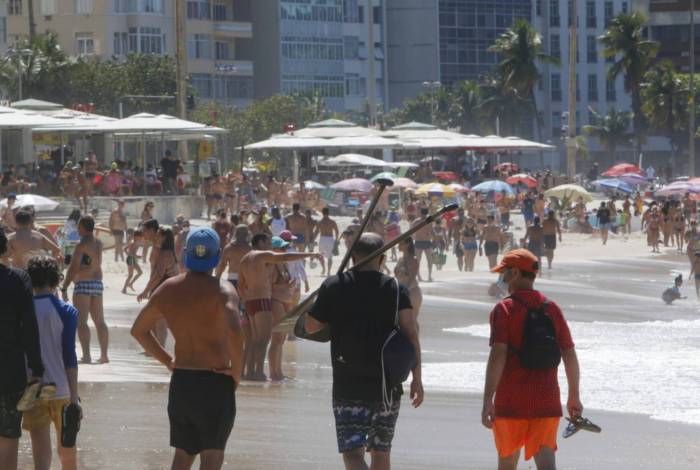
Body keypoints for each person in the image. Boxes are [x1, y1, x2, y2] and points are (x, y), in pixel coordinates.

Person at [304, 233, 423, 470]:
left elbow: (310, 327)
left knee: (352, 455)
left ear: (352, 256)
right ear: (382, 258)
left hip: (349, 385)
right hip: (387, 385)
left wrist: (322, 299)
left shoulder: (335, 285)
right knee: (381, 452)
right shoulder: (396, 289)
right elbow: (411, 334)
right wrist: (418, 379)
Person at [131, 227, 244, 470]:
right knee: (212, 457)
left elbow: (139, 330)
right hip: (215, 380)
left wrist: (167, 360)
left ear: (186, 254)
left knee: (183, 455)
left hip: (182, 381)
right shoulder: (223, 290)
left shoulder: (168, 289)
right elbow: (235, 329)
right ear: (216, 256)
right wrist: (237, 372)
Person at [482, 249, 582, 470]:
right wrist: (573, 396)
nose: (502, 278)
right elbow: (569, 354)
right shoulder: (552, 308)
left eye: (504, 273)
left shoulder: (504, 309)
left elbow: (498, 354)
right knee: (547, 464)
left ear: (515, 273)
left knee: (507, 464)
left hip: (511, 402)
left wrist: (488, 398)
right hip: (546, 400)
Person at [238, 233, 322, 381]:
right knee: (264, 340)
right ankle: (258, 372)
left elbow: (241, 285)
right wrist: (311, 253)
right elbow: (285, 257)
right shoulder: (262, 255)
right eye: (268, 242)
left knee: (257, 339)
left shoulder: (245, 259)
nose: (269, 246)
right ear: (261, 242)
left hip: (251, 302)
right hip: (263, 300)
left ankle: (250, 372)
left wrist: (246, 302)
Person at [25, 256, 81, 470]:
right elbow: (69, 356)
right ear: (57, 280)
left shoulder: (24, 311)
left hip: (34, 386)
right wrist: (74, 399)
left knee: (40, 449)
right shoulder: (66, 311)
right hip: (62, 388)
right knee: (67, 448)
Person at [0, 228, 45, 470]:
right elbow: (29, 325)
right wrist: (37, 366)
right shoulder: (19, 279)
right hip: (10, 369)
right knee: (8, 438)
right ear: (5, 249)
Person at [61, 216, 108, 364]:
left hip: (83, 284)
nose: (77, 229)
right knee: (100, 321)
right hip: (97, 283)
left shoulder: (81, 245)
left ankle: (86, 355)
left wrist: (65, 286)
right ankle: (104, 355)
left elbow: (74, 268)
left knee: (81, 321)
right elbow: (94, 264)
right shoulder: (98, 243)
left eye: (79, 227)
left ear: (83, 227)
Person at [215, 224, 253, 377]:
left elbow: (221, 266)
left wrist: (215, 281)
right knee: (243, 316)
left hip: (231, 282)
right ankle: (240, 361)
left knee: (229, 314)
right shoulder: (250, 249)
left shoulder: (229, 248)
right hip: (246, 283)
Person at [137, 227, 180, 347]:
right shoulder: (167, 252)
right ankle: (160, 350)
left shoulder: (165, 253)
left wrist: (145, 291)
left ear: (164, 238)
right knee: (160, 322)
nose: (156, 237)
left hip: (165, 290)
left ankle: (161, 351)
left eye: (159, 235)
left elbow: (159, 274)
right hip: (167, 290)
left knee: (160, 323)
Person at [394, 237, 423, 318]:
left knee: (413, 319)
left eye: (401, 243)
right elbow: (397, 277)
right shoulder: (400, 259)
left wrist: (404, 293)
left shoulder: (413, 259)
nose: (398, 245)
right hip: (402, 292)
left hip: (412, 292)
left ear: (408, 244)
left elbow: (412, 277)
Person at [315, 207, 339, 276]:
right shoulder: (332, 222)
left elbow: (316, 232)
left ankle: (323, 269)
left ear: (322, 213)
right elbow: (337, 231)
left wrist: (312, 240)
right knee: (330, 257)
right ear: (328, 213)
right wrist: (336, 239)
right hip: (330, 239)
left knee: (321, 255)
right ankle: (328, 271)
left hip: (322, 239)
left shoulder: (320, 222)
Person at [412, 208, 434, 282]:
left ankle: (420, 276)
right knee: (429, 260)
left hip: (419, 242)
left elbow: (411, 231)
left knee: (418, 260)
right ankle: (429, 276)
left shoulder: (416, 221)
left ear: (420, 213)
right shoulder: (429, 222)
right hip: (426, 242)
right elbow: (431, 232)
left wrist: (415, 237)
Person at [122, 229, 144, 294]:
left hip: (133, 259)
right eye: (140, 236)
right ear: (136, 236)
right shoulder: (133, 243)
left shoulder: (138, 242)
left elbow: (126, 250)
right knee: (130, 275)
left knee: (140, 272)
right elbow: (125, 249)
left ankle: (130, 284)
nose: (141, 237)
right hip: (130, 259)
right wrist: (136, 256)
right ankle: (124, 289)